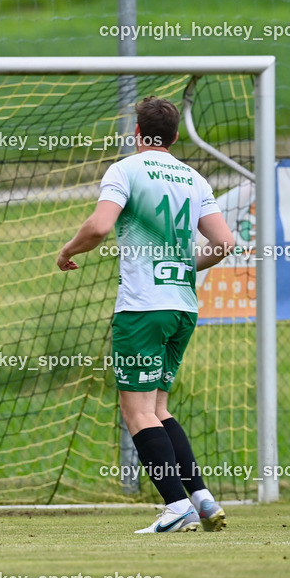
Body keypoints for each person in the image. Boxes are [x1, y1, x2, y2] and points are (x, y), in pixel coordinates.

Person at [55, 96, 233, 534]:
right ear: (174, 137)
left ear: (138, 133)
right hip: (182, 307)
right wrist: (183, 266)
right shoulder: (193, 177)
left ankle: (176, 506)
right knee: (158, 407)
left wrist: (67, 250)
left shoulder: (126, 169)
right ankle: (202, 499)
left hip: (142, 308)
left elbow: (99, 226)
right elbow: (225, 243)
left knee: (136, 412)